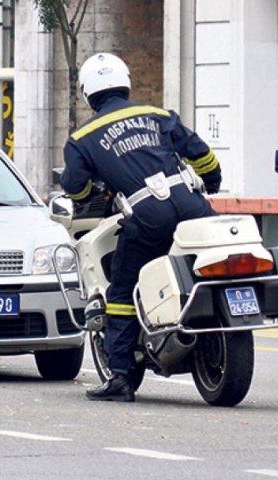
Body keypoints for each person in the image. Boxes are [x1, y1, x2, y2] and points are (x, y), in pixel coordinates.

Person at [61, 53, 221, 402]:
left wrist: (93, 194)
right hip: (193, 205)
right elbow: (201, 153)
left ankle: (120, 377)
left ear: (89, 93)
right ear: (126, 81)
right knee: (208, 266)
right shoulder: (158, 115)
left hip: (148, 215)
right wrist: (212, 179)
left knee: (121, 291)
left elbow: (74, 185)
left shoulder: (82, 137)